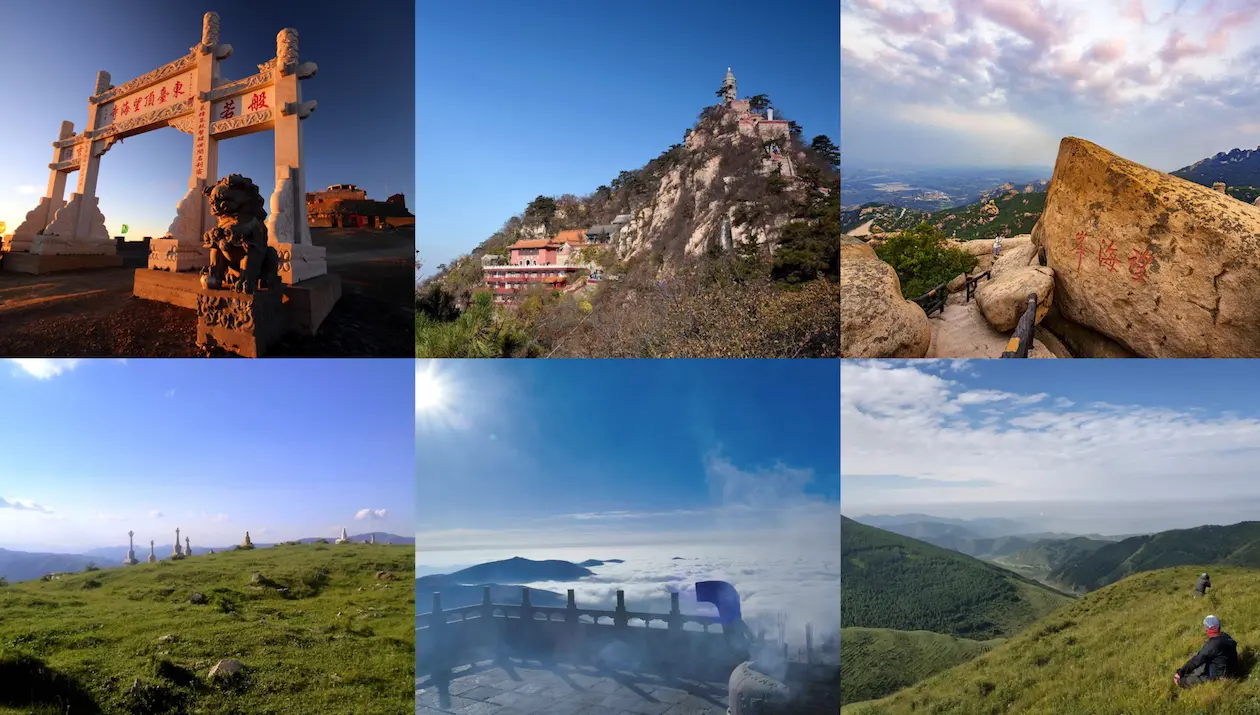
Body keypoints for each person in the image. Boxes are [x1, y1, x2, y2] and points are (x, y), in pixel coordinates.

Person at [1174, 615, 1238, 687]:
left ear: (1209, 629)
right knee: (1202, 664)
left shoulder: (1212, 645)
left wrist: (1179, 673)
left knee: (1184, 681)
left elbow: (1196, 661)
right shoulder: (1226, 637)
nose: (1205, 629)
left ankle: (1179, 682)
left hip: (1219, 679)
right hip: (1234, 672)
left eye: (1206, 627)